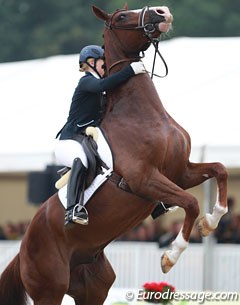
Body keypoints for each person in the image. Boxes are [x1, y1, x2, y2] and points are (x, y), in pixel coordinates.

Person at [54, 44, 146, 226]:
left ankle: (154, 197)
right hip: (69, 140)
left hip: (87, 138)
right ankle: (72, 209)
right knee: (81, 160)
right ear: (91, 62)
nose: (106, 65)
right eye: (103, 61)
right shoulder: (86, 81)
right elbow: (105, 84)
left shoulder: (100, 88)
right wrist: (130, 70)